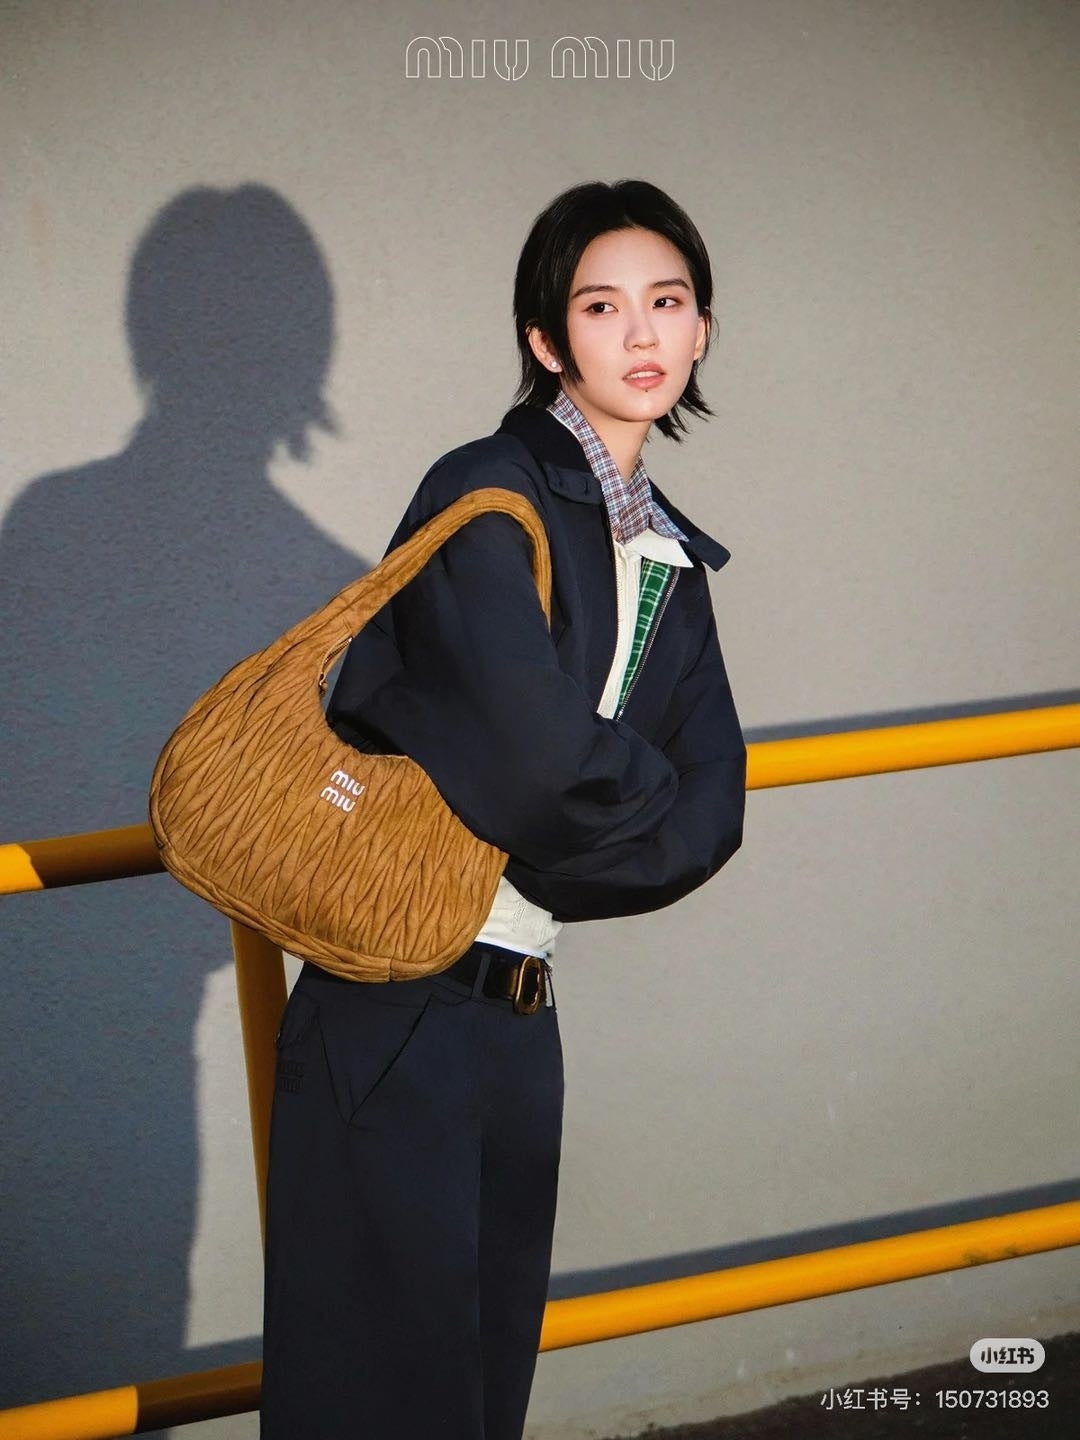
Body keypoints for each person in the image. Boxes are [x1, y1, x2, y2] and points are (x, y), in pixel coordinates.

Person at [259, 178, 747, 1440]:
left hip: (522, 1019)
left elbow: (715, 809)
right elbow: (546, 772)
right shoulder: (488, 495)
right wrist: (602, 807)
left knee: (481, 1399)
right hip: (394, 1010)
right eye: (601, 306)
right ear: (546, 338)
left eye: (667, 302)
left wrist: (571, 829)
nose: (640, 333)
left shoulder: (670, 557)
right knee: (378, 1406)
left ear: (702, 327)